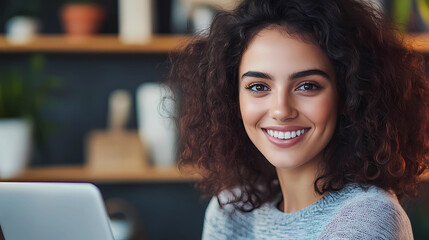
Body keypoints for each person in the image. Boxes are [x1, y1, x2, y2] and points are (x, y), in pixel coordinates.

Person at [167, 0, 429, 239]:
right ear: (232, 98)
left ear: (348, 95)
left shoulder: (367, 219)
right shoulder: (231, 210)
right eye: (258, 87)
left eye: (307, 86)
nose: (281, 110)